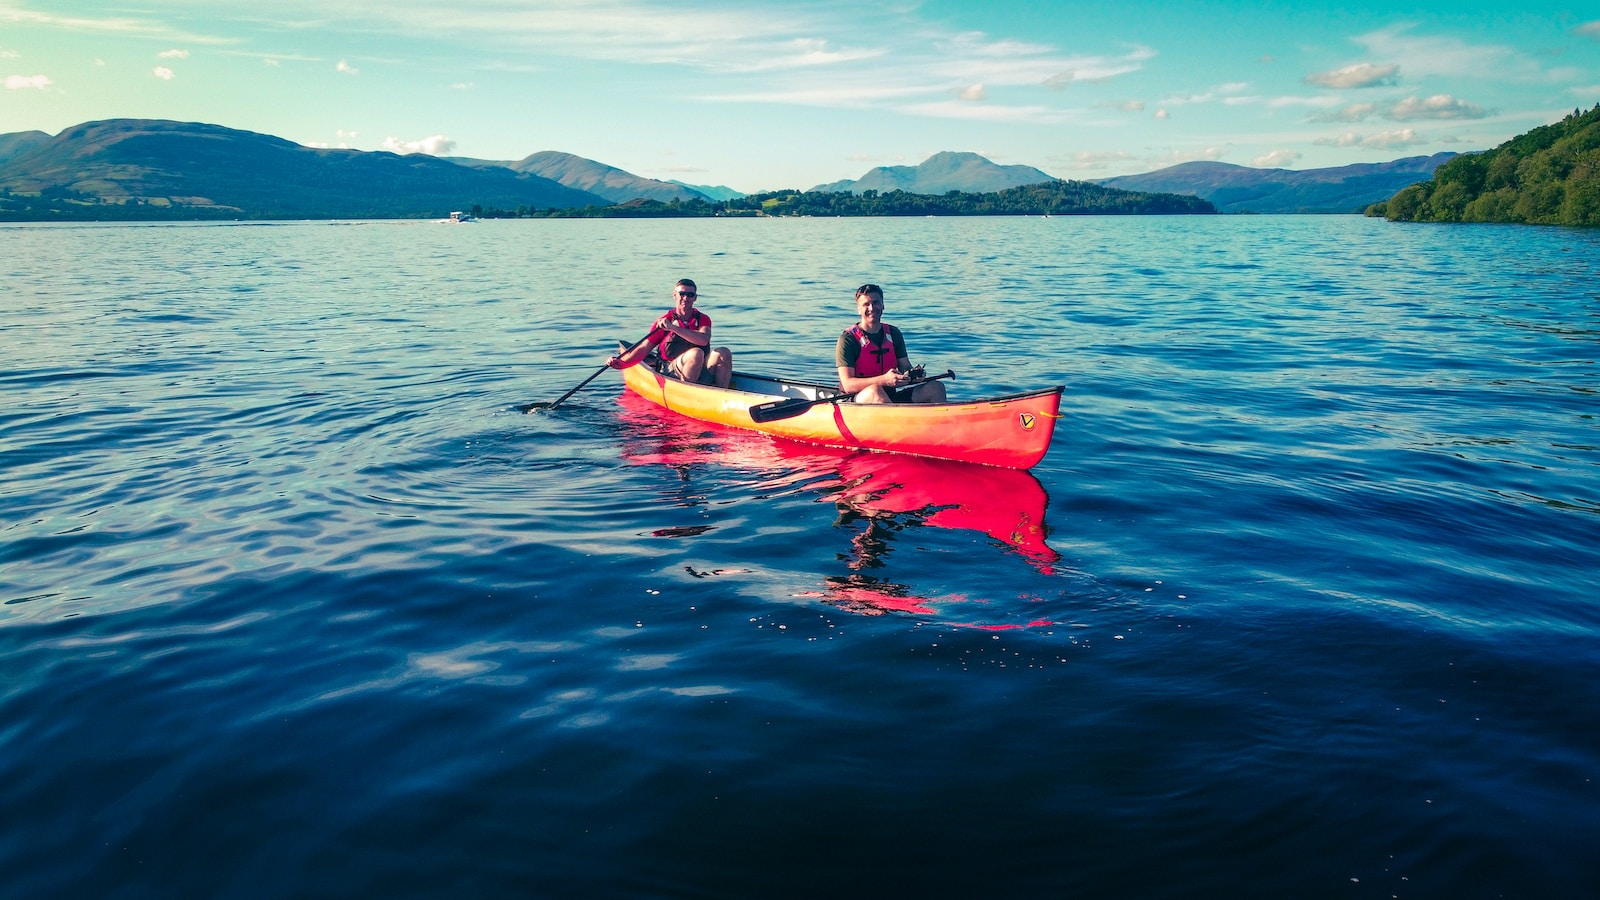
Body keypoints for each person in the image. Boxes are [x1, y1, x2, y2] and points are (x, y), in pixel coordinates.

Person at [607, 278, 732, 388]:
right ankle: (687, 393)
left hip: (699, 369)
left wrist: (673, 328)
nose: (685, 298)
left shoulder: (703, 319)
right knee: (696, 353)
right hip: (671, 371)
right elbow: (644, 349)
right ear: (675, 295)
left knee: (723, 352)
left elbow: (704, 339)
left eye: (690, 294)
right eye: (682, 294)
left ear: (695, 298)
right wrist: (623, 364)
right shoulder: (663, 322)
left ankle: (723, 395)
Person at [835, 283, 946, 404]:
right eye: (866, 304)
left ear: (883, 305)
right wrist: (883, 380)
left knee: (936, 388)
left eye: (876, 303)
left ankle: (942, 421)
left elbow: (905, 367)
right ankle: (901, 421)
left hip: (890, 398)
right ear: (859, 309)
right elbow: (848, 385)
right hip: (855, 400)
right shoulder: (848, 339)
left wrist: (914, 375)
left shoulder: (894, 333)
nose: (872, 308)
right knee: (875, 391)